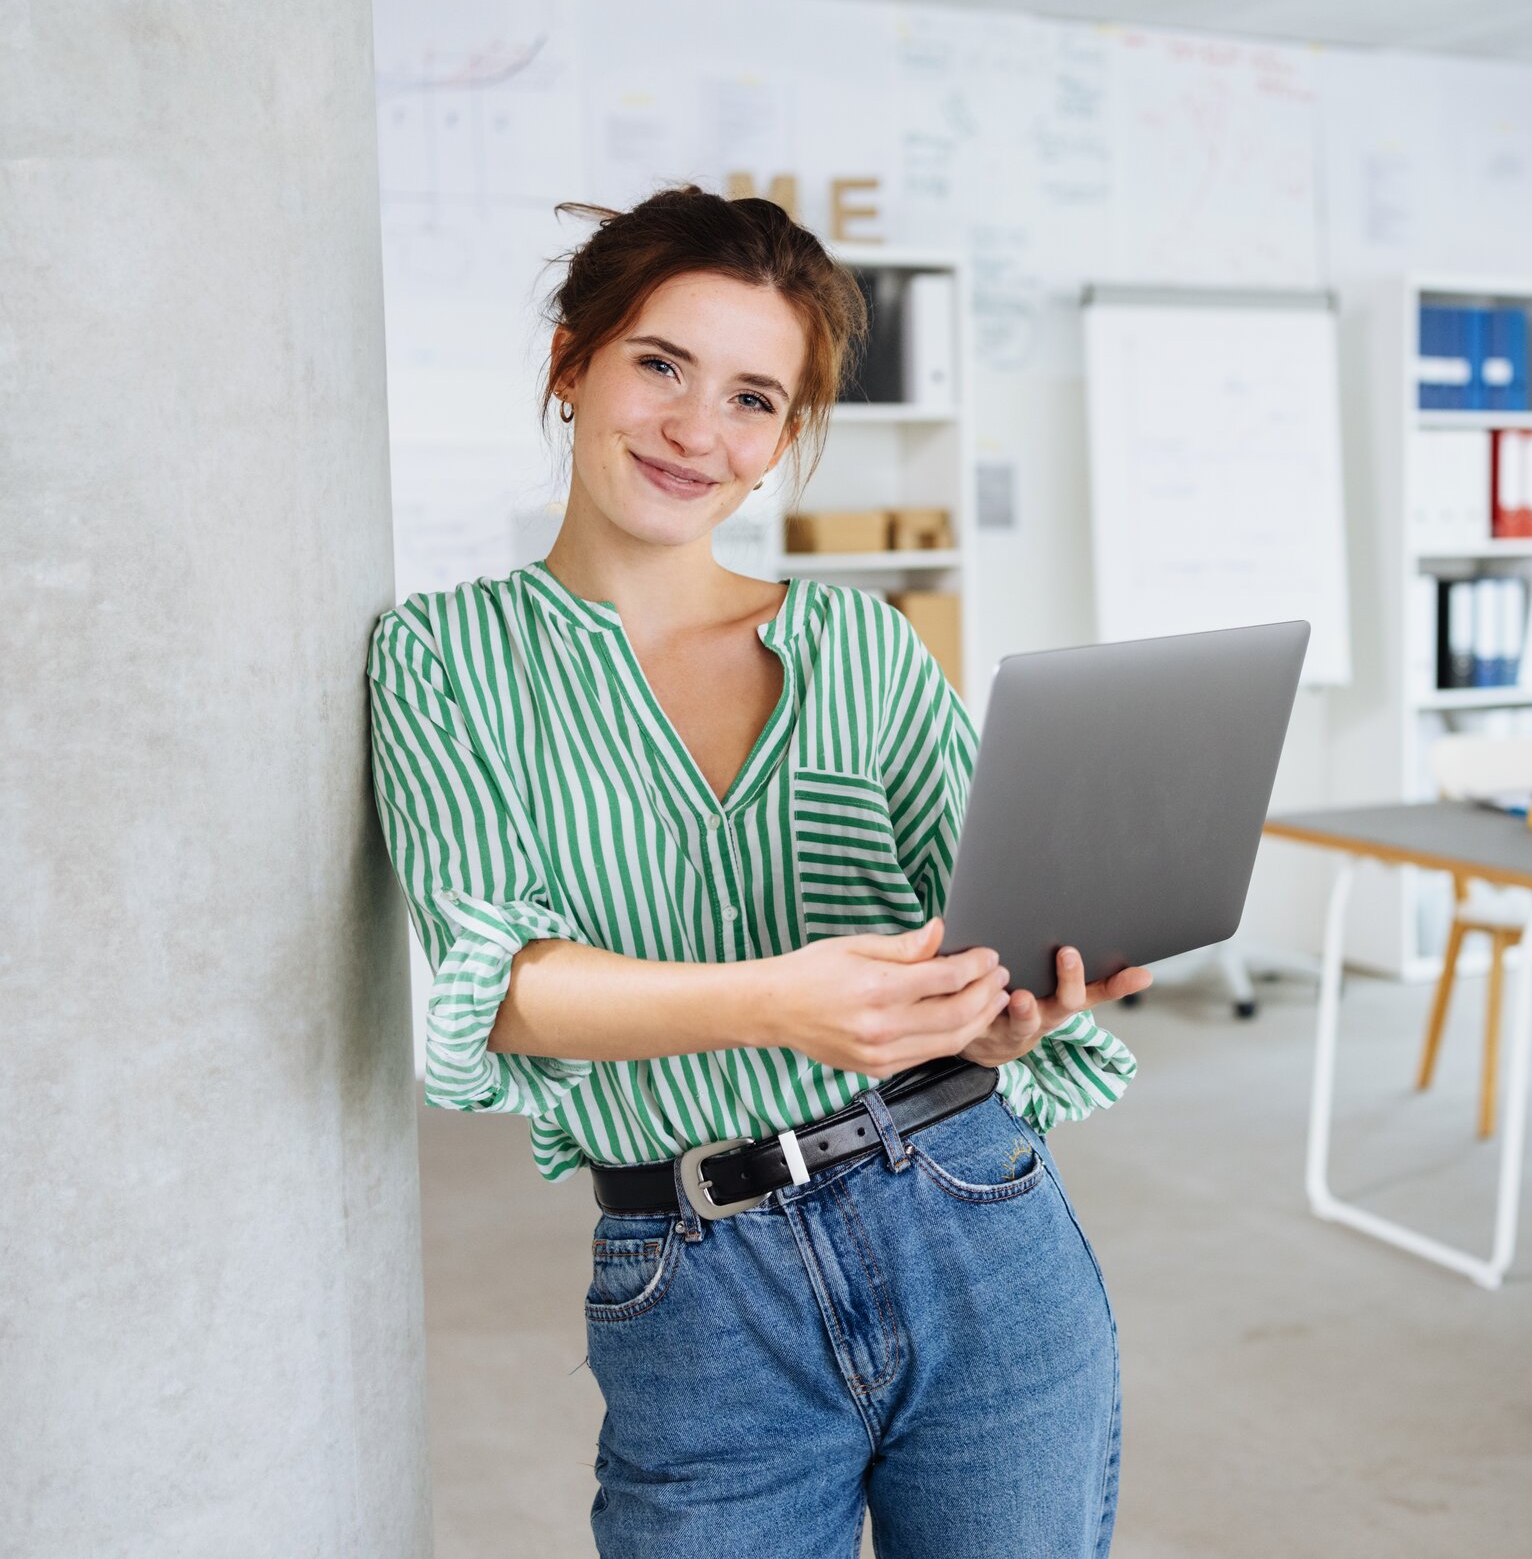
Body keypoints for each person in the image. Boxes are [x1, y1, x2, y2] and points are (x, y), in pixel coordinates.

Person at [365, 184, 1150, 1558]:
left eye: (751, 399)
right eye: (660, 365)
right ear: (571, 363)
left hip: (975, 1214)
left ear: (784, 437)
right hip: (699, 1291)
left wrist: (1013, 1002)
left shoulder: (866, 648)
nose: (695, 432)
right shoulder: (446, 657)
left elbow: (981, 921)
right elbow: (504, 989)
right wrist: (774, 1002)